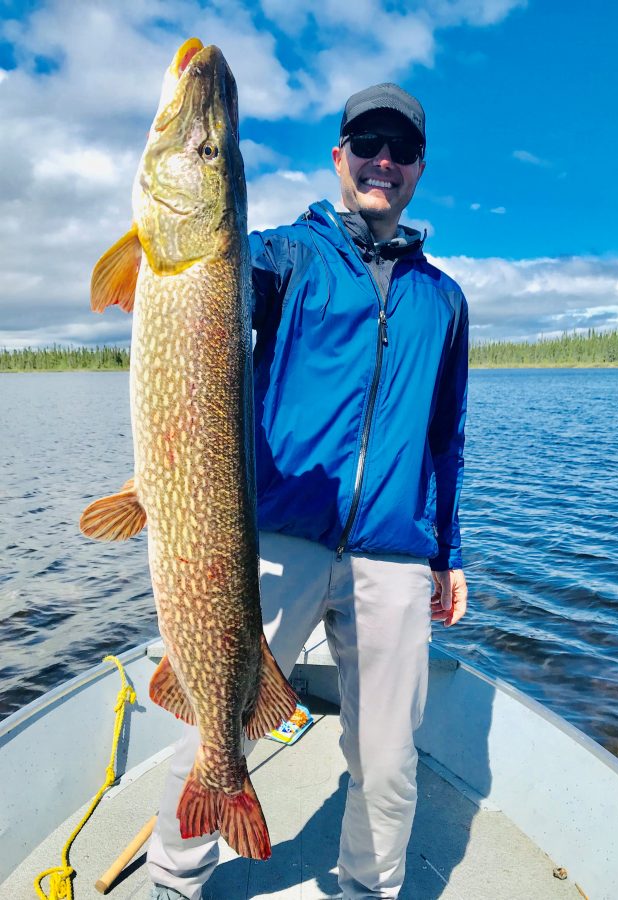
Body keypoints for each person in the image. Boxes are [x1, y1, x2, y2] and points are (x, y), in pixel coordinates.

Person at [148, 82, 469, 900]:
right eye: (367, 145)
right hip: (276, 537)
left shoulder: (442, 298)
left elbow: (444, 437)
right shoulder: (283, 256)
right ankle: (171, 881)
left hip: (393, 554)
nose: (382, 163)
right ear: (339, 157)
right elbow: (205, 278)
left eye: (399, 151)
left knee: (390, 763)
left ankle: (367, 890)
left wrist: (447, 553)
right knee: (213, 723)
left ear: (418, 169)